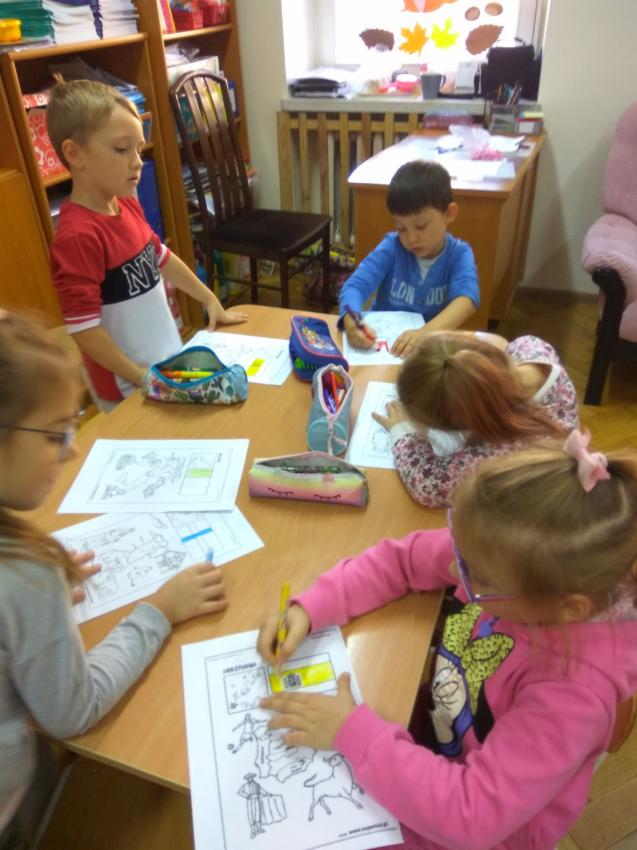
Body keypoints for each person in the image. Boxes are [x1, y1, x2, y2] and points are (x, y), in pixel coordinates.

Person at [257, 434, 637, 850]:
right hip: (435, 744)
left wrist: (350, 731)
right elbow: (404, 559)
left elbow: (472, 814)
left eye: (478, 579)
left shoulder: (574, 692)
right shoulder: (505, 561)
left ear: (569, 609)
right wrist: (312, 608)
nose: (457, 572)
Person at [0, 313, 228, 850]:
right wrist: (160, 610)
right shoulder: (23, 577)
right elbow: (74, 711)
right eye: (55, 434)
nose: (73, 448)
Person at [46, 79, 247, 409]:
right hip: (128, 386)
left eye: (138, 149)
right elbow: (84, 330)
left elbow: (160, 257)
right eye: (122, 149)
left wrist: (209, 299)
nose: (138, 161)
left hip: (163, 363)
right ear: (75, 153)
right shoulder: (78, 237)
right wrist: (140, 376)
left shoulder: (125, 202)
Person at [372, 331, 579, 507]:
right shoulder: (531, 348)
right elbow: (498, 342)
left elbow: (426, 483)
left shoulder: (493, 459)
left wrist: (401, 430)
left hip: (539, 514)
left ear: (464, 425)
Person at [338, 160, 479, 358]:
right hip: (384, 349)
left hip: (428, 350)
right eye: (401, 228)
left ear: (449, 214)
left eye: (420, 226)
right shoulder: (392, 247)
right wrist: (352, 322)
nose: (411, 238)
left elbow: (466, 301)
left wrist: (426, 333)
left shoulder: (459, 255)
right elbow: (354, 287)